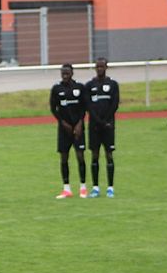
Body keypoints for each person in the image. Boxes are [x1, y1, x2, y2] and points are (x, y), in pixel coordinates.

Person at [49, 63, 87, 199]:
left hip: (78, 128)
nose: (65, 76)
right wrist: (62, 122)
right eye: (63, 73)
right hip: (64, 130)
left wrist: (79, 123)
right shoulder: (56, 89)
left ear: (72, 73)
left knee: (80, 156)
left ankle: (83, 187)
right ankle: (66, 189)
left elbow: (84, 107)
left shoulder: (79, 88)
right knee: (64, 157)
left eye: (67, 73)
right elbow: (53, 108)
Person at [85, 58, 120, 198]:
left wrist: (106, 120)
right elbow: (88, 106)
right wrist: (98, 121)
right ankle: (95, 188)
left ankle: (110, 187)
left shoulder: (113, 84)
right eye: (97, 66)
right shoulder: (89, 85)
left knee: (109, 155)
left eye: (102, 66)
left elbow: (115, 104)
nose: (99, 69)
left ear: (106, 67)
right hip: (94, 126)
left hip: (108, 125)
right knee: (94, 155)